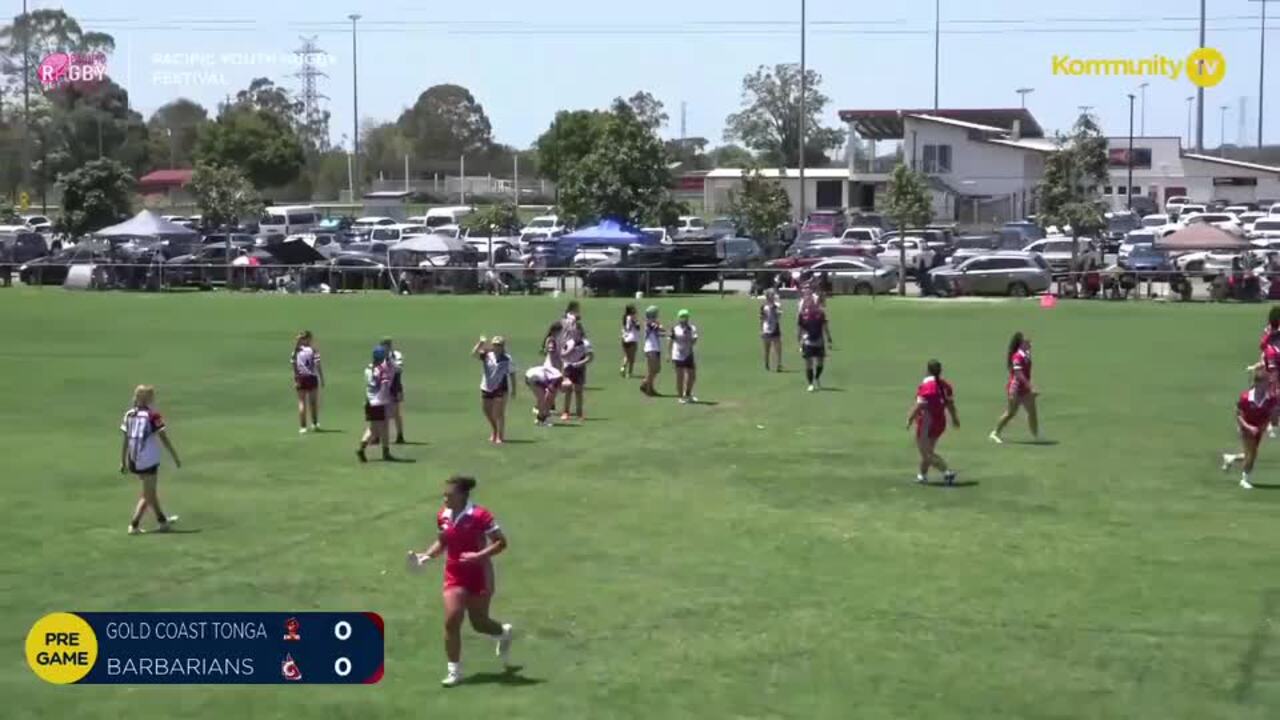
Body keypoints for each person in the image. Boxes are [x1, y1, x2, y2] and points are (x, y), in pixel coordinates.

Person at [407, 475, 515, 687]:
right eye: (444, 494)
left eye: (449, 495)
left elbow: (501, 543)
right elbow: (443, 541)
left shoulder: (480, 515)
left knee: (479, 623)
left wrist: (479, 556)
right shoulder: (443, 515)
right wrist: (426, 555)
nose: (444, 498)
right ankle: (454, 671)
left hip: (480, 574)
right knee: (452, 618)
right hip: (454, 574)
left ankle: (503, 633)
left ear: (463, 496)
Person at [120, 385, 182, 535]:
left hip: (134, 460)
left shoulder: (129, 415)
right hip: (148, 460)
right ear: (147, 398)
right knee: (148, 494)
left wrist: (123, 461)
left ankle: (162, 521)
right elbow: (163, 437)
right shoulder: (153, 416)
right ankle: (134, 525)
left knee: (150, 492)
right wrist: (174, 456)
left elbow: (126, 440)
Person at [906, 360, 960, 486]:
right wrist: (954, 418)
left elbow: (920, 405)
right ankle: (922, 476)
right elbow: (950, 404)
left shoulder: (927, 386)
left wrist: (910, 418)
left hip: (927, 422)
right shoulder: (946, 386)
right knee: (928, 450)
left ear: (928, 370)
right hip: (940, 421)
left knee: (926, 453)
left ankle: (947, 472)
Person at [1223, 366, 1276, 489]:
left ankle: (1230, 458)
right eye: (1265, 384)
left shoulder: (1271, 399)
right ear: (1257, 383)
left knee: (1250, 454)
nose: (1267, 386)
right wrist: (1248, 427)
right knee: (1252, 454)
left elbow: (1271, 414)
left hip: (1259, 429)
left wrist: (1269, 424)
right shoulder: (1246, 398)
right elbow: (1238, 415)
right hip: (1246, 428)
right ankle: (1244, 479)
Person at [990, 332, 1039, 443]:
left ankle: (1036, 436)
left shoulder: (1026, 355)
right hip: (1015, 389)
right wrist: (1030, 386)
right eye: (1027, 342)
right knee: (1011, 413)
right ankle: (995, 433)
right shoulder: (1017, 356)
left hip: (1025, 389)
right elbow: (1018, 373)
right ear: (1021, 344)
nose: (1030, 343)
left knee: (1032, 412)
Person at [474, 336, 516, 444]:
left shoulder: (507, 359)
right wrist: (480, 343)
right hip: (486, 386)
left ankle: (500, 436)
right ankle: (494, 429)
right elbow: (474, 354)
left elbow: (512, 374)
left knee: (499, 413)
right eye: (495, 345)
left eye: (499, 345)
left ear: (503, 347)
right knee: (487, 411)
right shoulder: (487, 355)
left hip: (501, 388)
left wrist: (514, 389)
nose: (497, 347)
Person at [358, 346, 396, 463]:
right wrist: (387, 397)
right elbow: (385, 386)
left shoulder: (368, 369)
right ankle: (361, 448)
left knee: (384, 427)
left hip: (370, 401)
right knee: (375, 429)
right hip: (379, 402)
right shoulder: (381, 370)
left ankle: (386, 451)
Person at [292, 330, 323, 433]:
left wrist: (296, 378)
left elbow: (294, 365)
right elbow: (317, 365)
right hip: (311, 377)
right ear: (309, 339)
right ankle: (314, 424)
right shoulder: (313, 350)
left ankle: (303, 427)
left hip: (301, 377)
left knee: (302, 403)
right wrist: (321, 378)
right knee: (313, 403)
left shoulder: (296, 351)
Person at [560, 326, 594, 420]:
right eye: (573, 332)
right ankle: (566, 412)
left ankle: (579, 413)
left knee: (578, 391)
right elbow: (562, 355)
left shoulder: (586, 343)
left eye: (576, 332)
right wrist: (569, 352)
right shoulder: (569, 343)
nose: (574, 334)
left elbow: (590, 357)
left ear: (580, 333)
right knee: (568, 389)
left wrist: (579, 363)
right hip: (568, 368)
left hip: (579, 369)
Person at [797, 302, 832, 392]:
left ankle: (817, 377)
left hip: (819, 342)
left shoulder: (820, 314)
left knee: (820, 363)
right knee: (809, 363)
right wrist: (799, 339)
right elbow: (800, 327)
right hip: (807, 342)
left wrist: (829, 338)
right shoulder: (802, 314)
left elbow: (825, 326)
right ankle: (810, 383)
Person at [670, 308, 699, 404]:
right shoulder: (675, 329)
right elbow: (671, 341)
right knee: (680, 377)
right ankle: (680, 397)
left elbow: (694, 340)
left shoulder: (692, 328)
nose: (684, 319)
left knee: (692, 376)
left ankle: (688, 394)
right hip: (678, 355)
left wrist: (689, 336)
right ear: (679, 318)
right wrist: (668, 353)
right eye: (682, 317)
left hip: (688, 354)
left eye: (686, 317)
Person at [381, 337, 406, 444]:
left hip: (395, 387)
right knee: (381, 412)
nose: (386, 347)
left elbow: (399, 369)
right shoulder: (379, 356)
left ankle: (400, 435)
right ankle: (377, 436)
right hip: (383, 387)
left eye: (387, 345)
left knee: (396, 413)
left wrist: (390, 360)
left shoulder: (396, 355)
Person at [639, 306, 665, 397]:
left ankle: (645, 383)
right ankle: (650, 390)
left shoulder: (655, 322)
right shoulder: (649, 322)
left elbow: (658, 333)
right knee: (652, 369)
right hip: (650, 348)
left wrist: (667, 334)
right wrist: (663, 330)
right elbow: (658, 329)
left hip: (656, 348)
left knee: (657, 369)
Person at [760, 290, 783, 372]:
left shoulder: (777, 305)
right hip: (766, 329)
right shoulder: (763, 306)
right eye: (770, 295)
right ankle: (766, 364)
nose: (772, 297)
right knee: (767, 349)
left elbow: (778, 316)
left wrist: (776, 311)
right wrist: (761, 330)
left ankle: (778, 364)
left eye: (772, 295)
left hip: (775, 328)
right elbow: (762, 318)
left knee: (778, 348)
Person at [620, 304, 640, 378]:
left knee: (627, 355)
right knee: (632, 358)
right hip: (632, 339)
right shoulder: (632, 318)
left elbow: (625, 328)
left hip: (624, 339)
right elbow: (637, 327)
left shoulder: (624, 318)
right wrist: (637, 323)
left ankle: (623, 368)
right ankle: (629, 373)